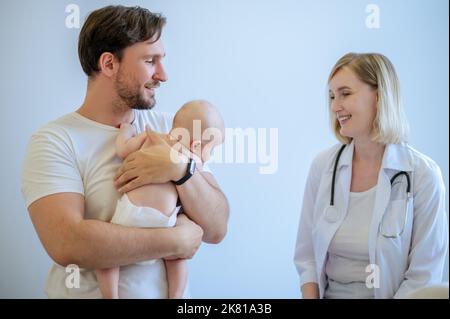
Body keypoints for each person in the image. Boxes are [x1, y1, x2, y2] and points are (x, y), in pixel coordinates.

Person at [21, 5, 229, 298]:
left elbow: (217, 228)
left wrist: (181, 170)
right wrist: (175, 240)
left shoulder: (171, 128)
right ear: (108, 64)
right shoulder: (55, 141)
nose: (163, 75)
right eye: (150, 60)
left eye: (162, 60)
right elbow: (69, 243)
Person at [294, 52, 448, 299]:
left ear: (379, 97)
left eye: (345, 93)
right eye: (332, 96)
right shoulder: (322, 167)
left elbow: (424, 275)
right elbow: (307, 257)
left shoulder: (423, 175)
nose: (335, 106)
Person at [96, 100, 225, 299]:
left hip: (132, 213)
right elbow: (199, 190)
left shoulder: (150, 137)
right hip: (165, 221)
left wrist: (126, 131)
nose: (209, 157)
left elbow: (122, 149)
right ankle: (176, 295)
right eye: (211, 150)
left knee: (107, 258)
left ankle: (110, 296)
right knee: (177, 259)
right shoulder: (193, 161)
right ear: (197, 145)